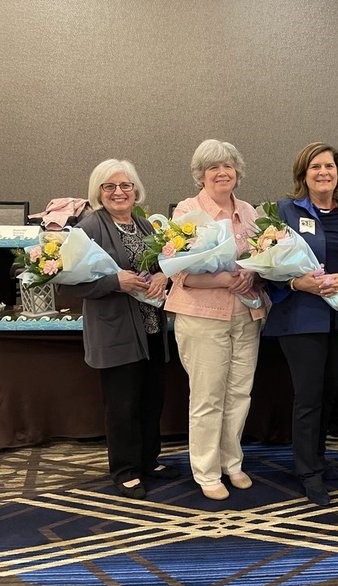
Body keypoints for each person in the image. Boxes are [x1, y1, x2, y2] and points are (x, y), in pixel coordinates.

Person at [58, 159, 176, 499]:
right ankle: (125, 470)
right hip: (116, 333)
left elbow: (161, 264)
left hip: (152, 330)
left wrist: (162, 275)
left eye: (125, 185)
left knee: (151, 400)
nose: (118, 192)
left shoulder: (145, 225)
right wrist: (115, 282)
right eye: (109, 186)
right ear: (99, 192)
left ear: (136, 190)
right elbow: (67, 284)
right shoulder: (89, 228)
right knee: (122, 405)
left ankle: (148, 460)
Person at [263, 142, 338, 506]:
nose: (323, 172)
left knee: (329, 392)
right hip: (300, 317)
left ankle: (317, 458)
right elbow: (265, 262)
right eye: (315, 167)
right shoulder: (285, 210)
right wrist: (296, 283)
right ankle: (307, 471)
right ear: (303, 174)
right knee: (308, 395)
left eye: (329, 166)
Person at [165, 139, 267, 501]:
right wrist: (224, 279)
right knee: (207, 397)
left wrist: (253, 272)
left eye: (227, 165)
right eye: (213, 167)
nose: (222, 172)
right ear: (201, 175)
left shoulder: (250, 212)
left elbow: (265, 259)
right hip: (202, 317)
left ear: (237, 171)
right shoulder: (187, 212)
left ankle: (232, 462)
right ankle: (206, 471)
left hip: (246, 314)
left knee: (239, 393)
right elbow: (179, 273)